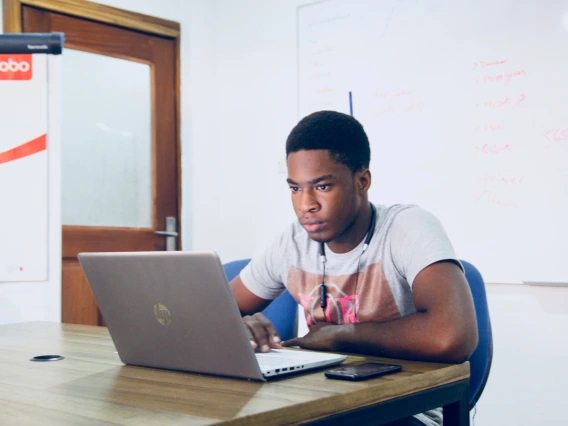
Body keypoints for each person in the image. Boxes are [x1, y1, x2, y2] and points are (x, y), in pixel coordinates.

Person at [229, 110, 478, 426]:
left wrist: (340, 335)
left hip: (407, 407)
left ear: (362, 181)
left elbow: (452, 337)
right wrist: (238, 328)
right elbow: (212, 312)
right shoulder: (290, 241)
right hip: (322, 401)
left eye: (321, 186)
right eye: (295, 188)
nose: (306, 204)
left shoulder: (407, 227)